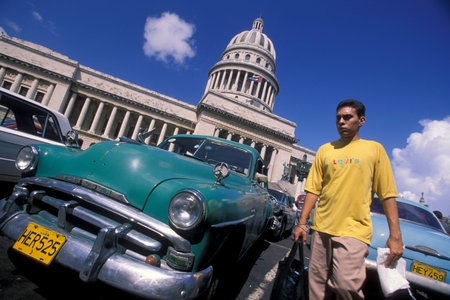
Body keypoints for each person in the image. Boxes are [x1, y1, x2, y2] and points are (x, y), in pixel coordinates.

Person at [294, 99, 404, 300]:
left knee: (346, 285)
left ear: (361, 120)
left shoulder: (374, 149)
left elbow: (387, 193)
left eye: (347, 117)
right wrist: (302, 223)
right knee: (317, 289)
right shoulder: (325, 150)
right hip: (321, 228)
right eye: (338, 118)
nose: (341, 122)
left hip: (354, 231)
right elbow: (312, 190)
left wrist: (395, 235)